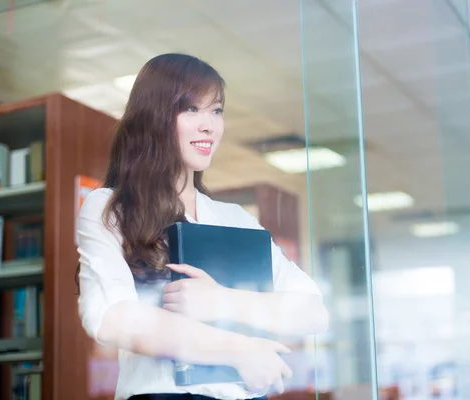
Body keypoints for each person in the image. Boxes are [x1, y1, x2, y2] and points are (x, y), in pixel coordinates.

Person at [76, 53, 329, 400]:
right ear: (154, 116)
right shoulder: (111, 207)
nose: (209, 124)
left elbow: (313, 314)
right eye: (191, 109)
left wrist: (221, 302)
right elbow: (111, 318)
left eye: (216, 110)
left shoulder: (235, 219)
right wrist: (239, 349)